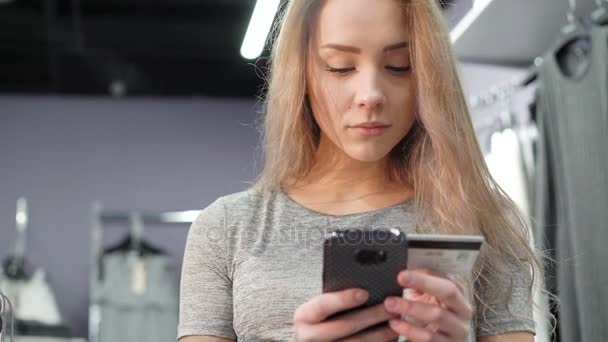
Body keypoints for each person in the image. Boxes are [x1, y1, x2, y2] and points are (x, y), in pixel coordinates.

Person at [178, 0, 544, 341]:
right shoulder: (226, 229)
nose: (370, 93)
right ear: (301, 75)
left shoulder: (489, 221)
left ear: (429, 78)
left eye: (400, 65)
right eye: (340, 67)